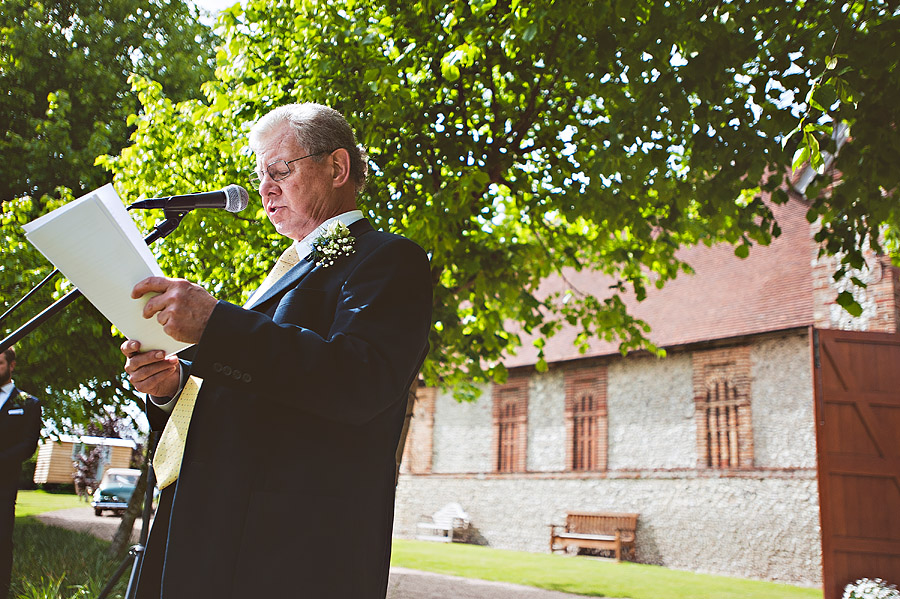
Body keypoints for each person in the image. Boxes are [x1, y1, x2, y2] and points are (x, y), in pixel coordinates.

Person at [122, 103, 432, 599]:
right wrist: (176, 386)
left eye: (279, 170)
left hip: (285, 553)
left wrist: (217, 323)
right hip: (209, 531)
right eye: (259, 174)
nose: (265, 188)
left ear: (337, 167)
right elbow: (259, 383)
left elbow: (358, 380)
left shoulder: (389, 260)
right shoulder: (285, 272)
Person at [0, 346, 42, 599]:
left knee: (2, 540)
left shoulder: (27, 403)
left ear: (12, 365)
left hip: (3, 485)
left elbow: (27, 446)